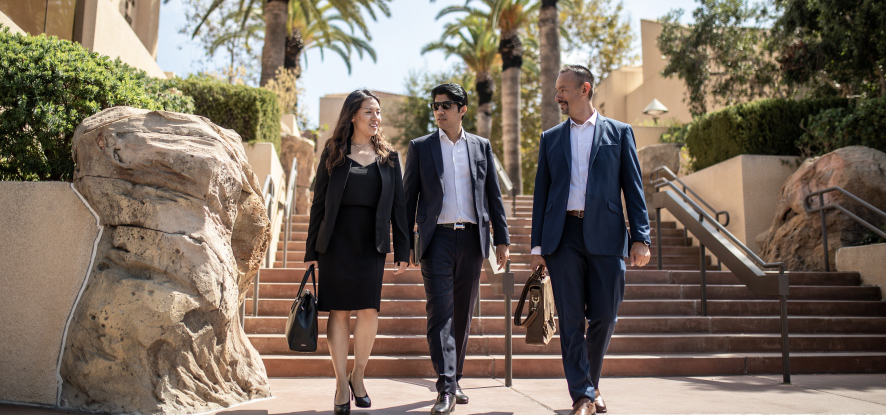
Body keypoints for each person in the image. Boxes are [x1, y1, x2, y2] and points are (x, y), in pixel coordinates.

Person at [530, 65, 651, 415]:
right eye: (557, 90)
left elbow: (634, 188)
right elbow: (542, 194)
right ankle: (583, 394)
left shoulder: (620, 132)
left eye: (564, 89)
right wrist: (538, 246)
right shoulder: (550, 138)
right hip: (563, 236)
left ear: (585, 89)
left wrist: (640, 237)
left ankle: (590, 384)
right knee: (570, 320)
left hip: (608, 235)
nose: (558, 96)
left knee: (605, 316)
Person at [403, 83, 510, 415]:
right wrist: (405, 242)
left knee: (463, 313)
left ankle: (454, 377)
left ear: (463, 109)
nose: (439, 111)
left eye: (446, 105)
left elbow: (493, 195)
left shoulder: (481, 147)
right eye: (435, 105)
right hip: (437, 240)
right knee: (440, 313)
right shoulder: (420, 147)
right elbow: (408, 198)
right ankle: (445, 387)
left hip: (473, 240)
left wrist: (502, 240)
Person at [304, 89, 409, 414]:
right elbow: (319, 202)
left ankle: (358, 375)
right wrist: (311, 249)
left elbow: (399, 206)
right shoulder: (333, 152)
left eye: (378, 112)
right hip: (336, 242)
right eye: (368, 112)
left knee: (368, 311)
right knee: (338, 312)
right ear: (352, 116)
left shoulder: (390, 158)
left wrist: (403, 247)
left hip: (371, 243)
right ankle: (339, 383)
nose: (376, 118)